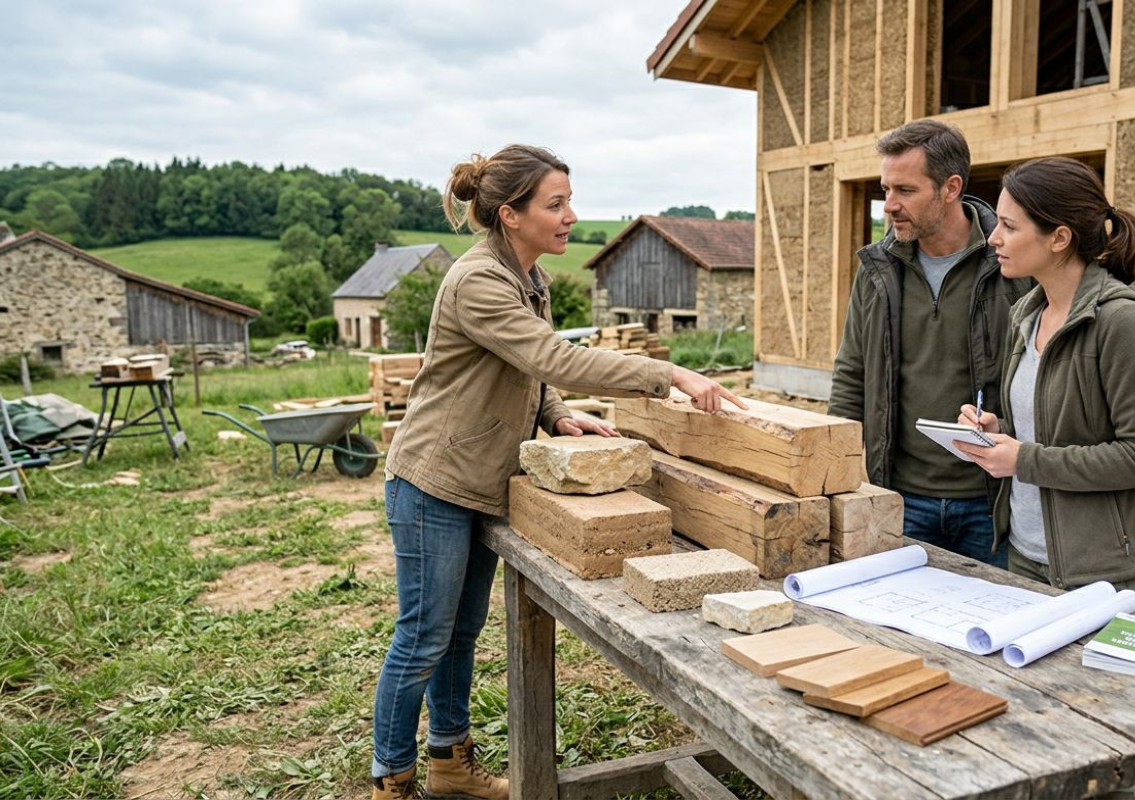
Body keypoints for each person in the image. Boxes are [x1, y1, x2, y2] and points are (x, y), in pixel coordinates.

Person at [370, 144, 745, 800]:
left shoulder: (529, 276)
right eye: (557, 204)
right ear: (511, 215)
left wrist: (558, 415)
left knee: (460, 632)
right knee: (424, 636)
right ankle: (391, 780)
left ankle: (449, 762)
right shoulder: (478, 280)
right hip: (433, 481)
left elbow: (532, 371)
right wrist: (669, 373)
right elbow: (553, 357)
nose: (571, 216)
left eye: (570, 201)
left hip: (476, 478)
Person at [956, 156, 1135, 611]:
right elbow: (1050, 432)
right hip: (1024, 553)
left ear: (1059, 238)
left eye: (1010, 227)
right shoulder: (1028, 314)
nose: (993, 238)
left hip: (1103, 570)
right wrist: (999, 433)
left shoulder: (1122, 322)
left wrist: (1024, 459)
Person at [829, 119, 1031, 568]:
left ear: (950, 188)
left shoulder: (1013, 263)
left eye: (905, 190)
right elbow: (851, 373)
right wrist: (836, 471)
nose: (889, 205)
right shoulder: (876, 268)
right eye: (886, 189)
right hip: (901, 496)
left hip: (992, 500)